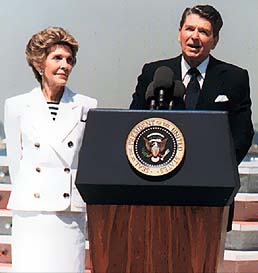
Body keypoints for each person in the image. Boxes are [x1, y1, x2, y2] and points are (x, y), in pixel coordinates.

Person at [130, 5, 254, 231]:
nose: (195, 37)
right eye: (189, 29)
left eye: (204, 32)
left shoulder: (235, 78)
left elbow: (242, 135)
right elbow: (134, 125)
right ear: (179, 33)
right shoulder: (155, 73)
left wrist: (213, 171)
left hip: (211, 192)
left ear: (215, 40)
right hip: (156, 188)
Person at [4, 27, 97, 272]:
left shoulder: (87, 106)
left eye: (69, 60)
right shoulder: (16, 106)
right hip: (31, 214)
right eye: (57, 58)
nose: (65, 65)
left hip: (68, 214)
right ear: (39, 63)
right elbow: (17, 164)